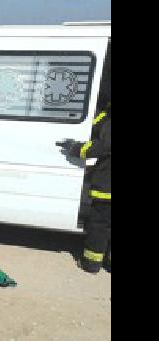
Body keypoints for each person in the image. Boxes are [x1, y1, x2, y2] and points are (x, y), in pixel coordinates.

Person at [58, 101, 111, 273]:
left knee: (99, 226)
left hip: (107, 190)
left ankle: (91, 263)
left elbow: (100, 147)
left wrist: (76, 148)